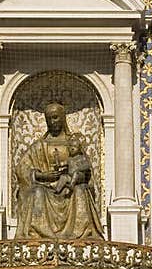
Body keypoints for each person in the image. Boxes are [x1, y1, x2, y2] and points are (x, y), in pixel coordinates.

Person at [14, 101, 104, 241]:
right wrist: (41, 175)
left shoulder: (74, 143)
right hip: (45, 187)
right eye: (49, 118)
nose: (52, 121)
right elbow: (22, 169)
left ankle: (83, 234)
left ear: (63, 118)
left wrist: (75, 177)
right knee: (37, 192)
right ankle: (39, 234)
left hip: (70, 187)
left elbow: (86, 169)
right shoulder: (39, 146)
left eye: (55, 117)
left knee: (81, 191)